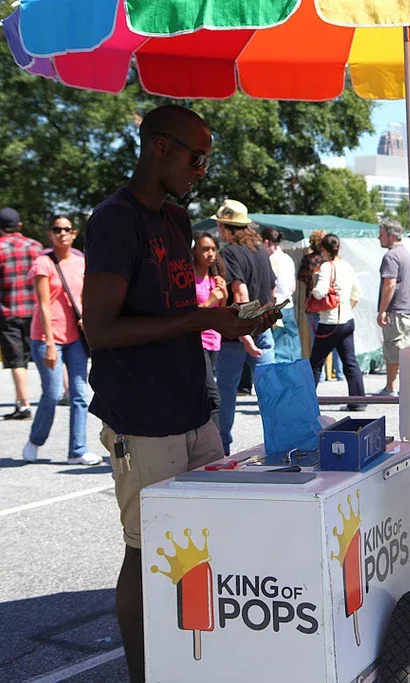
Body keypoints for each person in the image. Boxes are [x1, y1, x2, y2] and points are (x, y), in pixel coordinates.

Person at [82, 104, 277, 682]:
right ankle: (145, 672)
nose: (202, 170)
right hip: (141, 415)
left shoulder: (172, 219)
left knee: (209, 541)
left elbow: (175, 308)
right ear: (159, 148)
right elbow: (102, 329)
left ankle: (199, 660)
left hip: (194, 403)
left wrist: (233, 318)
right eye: (197, 157)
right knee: (146, 553)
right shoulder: (115, 220)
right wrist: (202, 321)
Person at [21, 216, 98, 464]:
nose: (62, 233)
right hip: (46, 337)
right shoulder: (43, 263)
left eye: (67, 229)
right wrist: (51, 344)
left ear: (74, 234)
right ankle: (35, 440)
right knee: (52, 393)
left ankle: (77, 450)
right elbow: (43, 305)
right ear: (50, 235)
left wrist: (87, 317)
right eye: (57, 230)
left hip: (75, 338)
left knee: (79, 393)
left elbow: (86, 297)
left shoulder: (80, 262)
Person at [214, 200, 277, 455]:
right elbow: (272, 289)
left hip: (238, 335)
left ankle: (222, 449)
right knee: (271, 393)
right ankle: (279, 444)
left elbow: (239, 293)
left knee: (226, 394)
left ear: (226, 227)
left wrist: (245, 334)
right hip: (264, 329)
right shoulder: (261, 250)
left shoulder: (228, 253)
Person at [309, 235, 366, 410]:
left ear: (325, 250)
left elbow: (319, 293)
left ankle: (306, 401)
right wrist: (346, 307)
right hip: (347, 320)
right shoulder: (347, 266)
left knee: (315, 363)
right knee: (350, 362)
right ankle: (358, 401)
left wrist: (314, 282)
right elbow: (358, 294)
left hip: (330, 322)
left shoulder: (326, 266)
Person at [0, 207, 43, 420]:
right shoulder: (36, 247)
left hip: (8, 311)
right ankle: (65, 393)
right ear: (19, 225)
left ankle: (24, 405)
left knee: (17, 359)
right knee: (48, 354)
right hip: (37, 310)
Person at [193, 231, 228, 430]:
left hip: (214, 339)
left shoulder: (215, 278)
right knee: (213, 396)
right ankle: (219, 449)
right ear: (194, 251)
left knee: (201, 394)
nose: (210, 253)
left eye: (213, 249)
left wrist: (223, 295)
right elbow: (188, 314)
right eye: (205, 249)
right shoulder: (188, 277)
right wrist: (210, 301)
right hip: (196, 341)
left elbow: (221, 311)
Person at [376, 217, 410, 396]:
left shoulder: (391, 256)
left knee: (395, 350)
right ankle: (393, 386)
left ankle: (392, 387)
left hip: (395, 310)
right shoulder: (406, 253)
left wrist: (382, 310)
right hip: (406, 309)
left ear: (391, 236)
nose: (379, 238)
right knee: (400, 349)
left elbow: (389, 284)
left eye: (381, 234)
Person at [298, 229, 341, 379]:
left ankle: (321, 375)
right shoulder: (333, 262)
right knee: (337, 342)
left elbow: (301, 278)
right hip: (331, 304)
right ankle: (340, 373)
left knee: (317, 342)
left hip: (314, 304)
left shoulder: (307, 260)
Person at [262, 227, 300, 363]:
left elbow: (270, 285)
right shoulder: (288, 259)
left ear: (266, 242)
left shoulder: (270, 259)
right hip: (288, 304)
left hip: (275, 305)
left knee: (277, 348)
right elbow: (293, 287)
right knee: (292, 345)